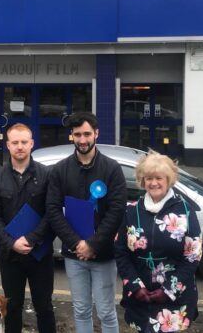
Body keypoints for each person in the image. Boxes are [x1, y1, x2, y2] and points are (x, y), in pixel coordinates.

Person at [46, 112, 127, 333]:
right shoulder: (60, 170)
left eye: (87, 134)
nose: (83, 139)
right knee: (80, 310)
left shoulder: (112, 169)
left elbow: (116, 211)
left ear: (96, 134)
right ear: (71, 135)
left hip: (103, 255)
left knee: (106, 311)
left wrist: (93, 244)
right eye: (78, 134)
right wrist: (76, 244)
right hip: (74, 256)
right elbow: (53, 210)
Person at [115, 150, 202, 333]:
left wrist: (168, 290)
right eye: (148, 178)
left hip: (174, 298)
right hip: (141, 296)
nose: (153, 183)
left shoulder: (185, 212)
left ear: (168, 180)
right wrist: (135, 286)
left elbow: (192, 256)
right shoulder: (131, 212)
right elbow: (121, 252)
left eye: (159, 178)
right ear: (142, 180)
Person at [0, 123, 56, 333]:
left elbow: (51, 212)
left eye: (24, 142)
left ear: (32, 143)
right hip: (10, 255)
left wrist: (32, 239)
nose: (20, 146)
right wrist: (11, 242)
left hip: (40, 255)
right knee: (12, 308)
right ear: (8, 145)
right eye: (15, 142)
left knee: (44, 307)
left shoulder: (46, 175)